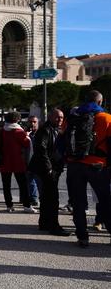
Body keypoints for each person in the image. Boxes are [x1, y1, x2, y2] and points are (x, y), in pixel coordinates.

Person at [65, 90, 111, 248]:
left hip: (74, 164)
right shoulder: (106, 118)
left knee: (78, 203)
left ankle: (82, 237)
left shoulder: (73, 116)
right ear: (100, 102)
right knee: (106, 201)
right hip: (97, 165)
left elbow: (64, 138)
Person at [28, 109, 70, 236]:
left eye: (62, 117)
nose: (60, 120)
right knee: (52, 198)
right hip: (46, 169)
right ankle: (54, 226)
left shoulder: (54, 130)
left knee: (46, 197)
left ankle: (45, 223)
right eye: (57, 117)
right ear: (50, 117)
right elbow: (41, 149)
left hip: (49, 168)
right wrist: (49, 168)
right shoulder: (46, 130)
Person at [0, 112, 36, 213]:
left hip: (4, 162)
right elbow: (26, 143)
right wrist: (27, 135)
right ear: (17, 120)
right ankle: (27, 205)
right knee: (23, 185)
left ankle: (9, 206)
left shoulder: (1, 131)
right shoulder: (19, 132)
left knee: (6, 186)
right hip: (18, 162)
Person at [26, 115, 41, 206]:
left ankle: (42, 198)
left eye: (34, 122)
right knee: (30, 180)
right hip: (28, 161)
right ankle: (33, 198)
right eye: (30, 122)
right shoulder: (26, 133)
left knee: (39, 181)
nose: (32, 124)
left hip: (38, 161)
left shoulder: (41, 133)